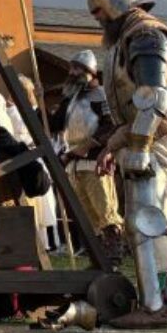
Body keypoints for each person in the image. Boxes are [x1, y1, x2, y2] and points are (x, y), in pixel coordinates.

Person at [82, 0, 167, 327]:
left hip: (155, 138)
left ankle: (154, 308)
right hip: (144, 136)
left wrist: (140, 147)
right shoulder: (128, 36)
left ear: (117, 1)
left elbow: (154, 98)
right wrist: (112, 146)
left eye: (99, 10)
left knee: (144, 221)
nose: (97, 19)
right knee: (156, 221)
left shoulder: (145, 34)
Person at [48, 49, 123, 268]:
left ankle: (113, 258)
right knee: (87, 217)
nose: (72, 72)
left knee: (105, 211)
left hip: (95, 160)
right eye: (71, 68)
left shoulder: (101, 95)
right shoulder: (70, 99)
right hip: (74, 163)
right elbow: (54, 124)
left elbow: (112, 126)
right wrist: (34, 102)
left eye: (77, 69)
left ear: (89, 72)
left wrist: (90, 145)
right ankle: (98, 259)